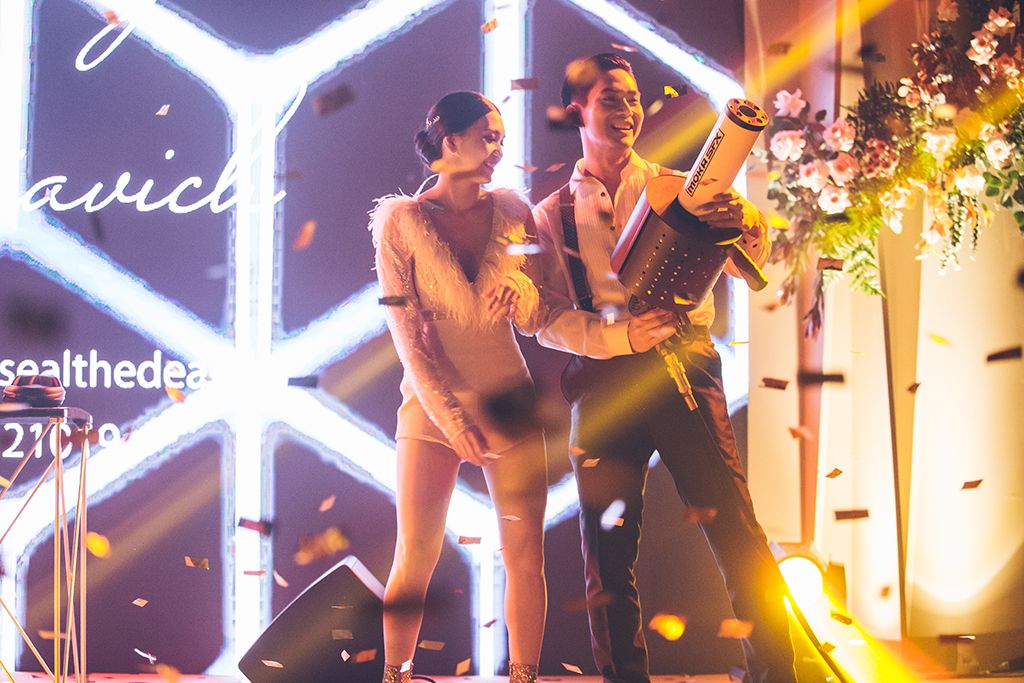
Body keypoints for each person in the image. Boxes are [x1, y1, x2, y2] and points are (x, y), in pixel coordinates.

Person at [532, 54, 797, 683]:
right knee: (606, 557)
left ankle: (778, 676)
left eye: (632, 98)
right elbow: (543, 317)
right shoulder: (549, 215)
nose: (626, 110)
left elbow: (753, 258)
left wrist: (746, 221)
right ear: (575, 110)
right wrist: (617, 337)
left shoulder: (682, 186)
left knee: (736, 531)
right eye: (610, 98)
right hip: (603, 385)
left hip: (685, 371)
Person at [369, 91, 548, 683]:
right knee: (414, 554)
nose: (498, 150)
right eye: (488, 137)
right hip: (429, 405)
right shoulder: (401, 223)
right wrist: (452, 420)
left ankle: (523, 676)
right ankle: (395, 675)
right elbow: (406, 340)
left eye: (501, 140)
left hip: (510, 399)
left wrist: (522, 293)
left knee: (525, 556)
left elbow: (541, 314)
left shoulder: (517, 213)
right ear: (451, 142)